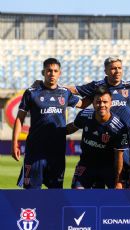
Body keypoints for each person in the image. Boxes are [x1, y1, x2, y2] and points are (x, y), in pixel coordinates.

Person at [12, 58, 82, 189]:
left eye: (55, 71)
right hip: (34, 151)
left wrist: (99, 92)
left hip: (57, 152)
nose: (52, 73)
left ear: (59, 73)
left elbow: (82, 104)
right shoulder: (31, 92)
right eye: (49, 70)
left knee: (55, 194)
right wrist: (15, 143)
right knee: (31, 193)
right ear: (43, 72)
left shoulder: (65, 93)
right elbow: (19, 118)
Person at [66, 86, 129, 189]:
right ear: (93, 103)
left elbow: (119, 157)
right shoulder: (84, 115)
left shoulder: (120, 127)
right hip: (86, 165)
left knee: (117, 199)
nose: (102, 105)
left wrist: (118, 181)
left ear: (111, 103)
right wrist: (53, 132)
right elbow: (71, 128)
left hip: (108, 168)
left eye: (105, 102)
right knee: (76, 194)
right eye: (98, 102)